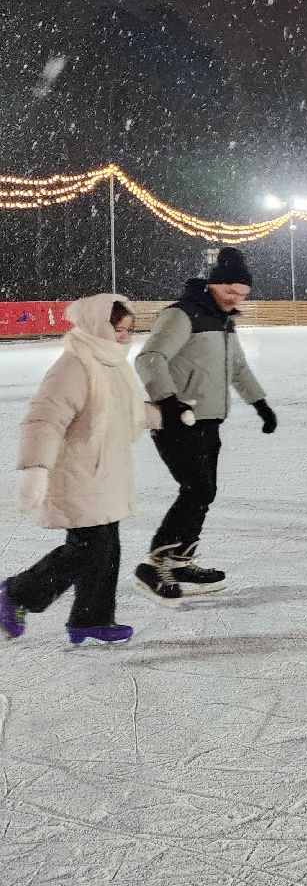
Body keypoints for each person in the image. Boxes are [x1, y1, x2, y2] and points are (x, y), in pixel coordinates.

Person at [1, 297, 180, 645]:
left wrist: (167, 416)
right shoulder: (74, 367)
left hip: (105, 475)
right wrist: (36, 468)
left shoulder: (112, 365)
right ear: (98, 327)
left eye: (129, 330)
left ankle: (91, 619)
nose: (125, 337)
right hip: (78, 474)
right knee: (87, 550)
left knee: (105, 549)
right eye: (118, 330)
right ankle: (16, 594)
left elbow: (126, 411)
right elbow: (44, 420)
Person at [133, 247, 275, 605]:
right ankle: (155, 565)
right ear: (213, 284)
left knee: (202, 492)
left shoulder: (224, 320)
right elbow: (149, 358)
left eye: (242, 293)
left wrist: (260, 404)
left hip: (209, 422)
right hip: (179, 420)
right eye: (230, 290)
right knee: (197, 490)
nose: (235, 298)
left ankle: (180, 562)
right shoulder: (182, 314)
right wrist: (168, 401)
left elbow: (238, 368)